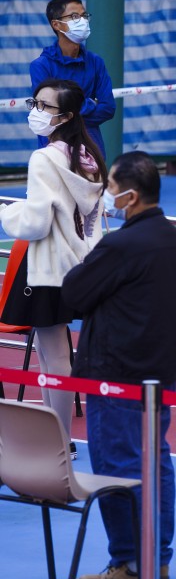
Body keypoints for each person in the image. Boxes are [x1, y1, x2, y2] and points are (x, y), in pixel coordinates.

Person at [62, 152, 176, 579]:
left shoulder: (121, 246)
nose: (106, 195)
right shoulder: (172, 238)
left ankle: (130, 564)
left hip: (115, 370)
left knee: (117, 464)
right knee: (156, 463)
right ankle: (157, 558)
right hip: (158, 372)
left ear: (130, 196)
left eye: (111, 187)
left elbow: (75, 293)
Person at [0, 79, 107, 457]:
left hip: (46, 266)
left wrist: (6, 213)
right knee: (54, 353)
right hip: (77, 264)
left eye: (44, 106)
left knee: (54, 355)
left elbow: (37, 221)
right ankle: (58, 436)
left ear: (67, 116)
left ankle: (59, 440)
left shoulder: (45, 158)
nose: (37, 111)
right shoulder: (88, 155)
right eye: (36, 103)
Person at [29, 0, 115, 158]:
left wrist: (67, 112)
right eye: (74, 16)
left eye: (84, 16)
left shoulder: (96, 62)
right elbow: (49, 114)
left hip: (91, 151)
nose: (82, 21)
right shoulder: (41, 66)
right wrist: (90, 104)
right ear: (56, 24)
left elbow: (108, 108)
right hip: (54, 150)